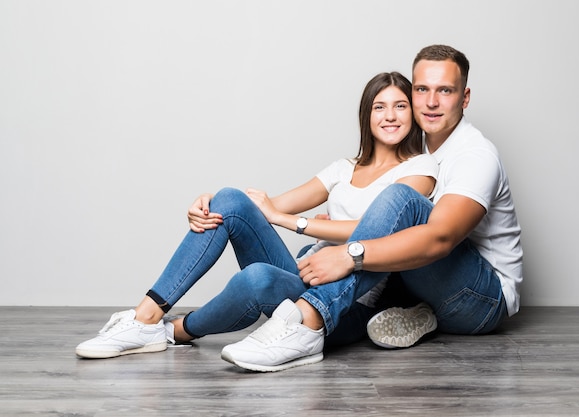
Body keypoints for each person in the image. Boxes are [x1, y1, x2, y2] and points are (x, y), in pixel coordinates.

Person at [75, 71, 439, 359]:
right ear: (367, 114)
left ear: (413, 113)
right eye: (380, 106)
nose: (390, 115)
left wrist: (295, 223)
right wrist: (210, 204)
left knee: (257, 280)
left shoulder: (421, 168)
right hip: (306, 274)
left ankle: (173, 332)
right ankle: (146, 317)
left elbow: (377, 231)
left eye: (400, 106)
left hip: (347, 302)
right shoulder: (343, 169)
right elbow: (266, 208)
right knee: (230, 199)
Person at [221, 44, 523, 372]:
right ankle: (418, 313)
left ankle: (308, 321)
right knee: (318, 249)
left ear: (464, 98)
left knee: (397, 201)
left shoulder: (474, 155)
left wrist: (349, 253)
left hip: (480, 299)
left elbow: (440, 238)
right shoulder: (419, 146)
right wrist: (217, 206)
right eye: (422, 89)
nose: (432, 102)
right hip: (417, 282)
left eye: (445, 91)